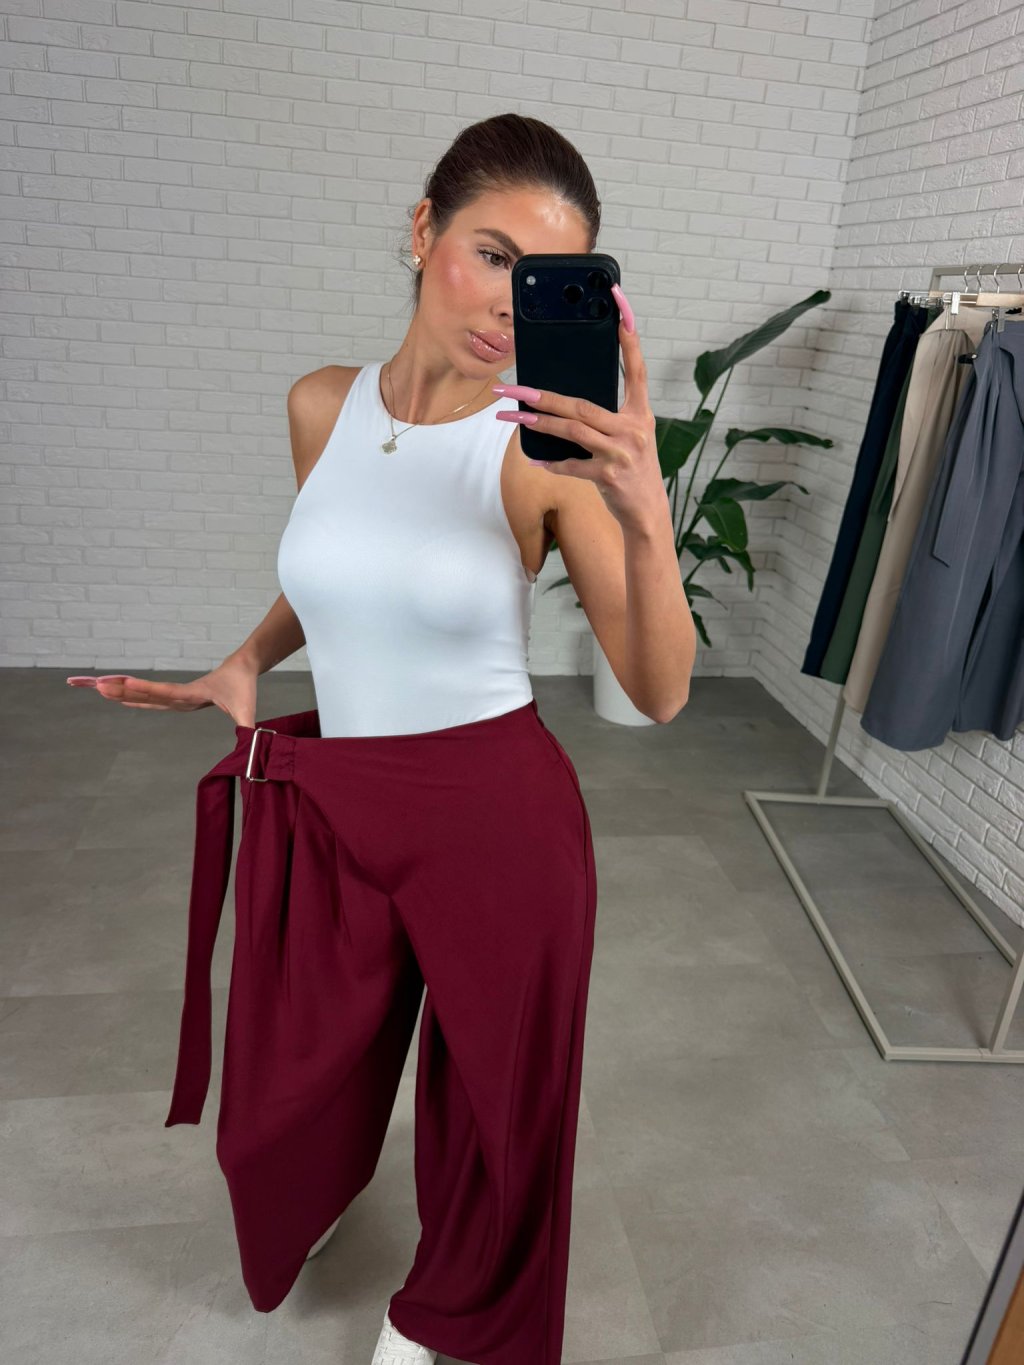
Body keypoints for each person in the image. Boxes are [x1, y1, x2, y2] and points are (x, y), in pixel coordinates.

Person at [67, 113, 695, 1365]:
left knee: (494, 1107)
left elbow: (661, 688)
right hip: (340, 797)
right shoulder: (321, 405)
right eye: (491, 253)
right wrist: (248, 657)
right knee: (286, 1084)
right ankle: (316, 1191)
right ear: (422, 231)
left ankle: (450, 1314)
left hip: (493, 811)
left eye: (543, 278)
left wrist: (645, 511)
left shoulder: (546, 457)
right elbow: (345, 567)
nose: (508, 303)